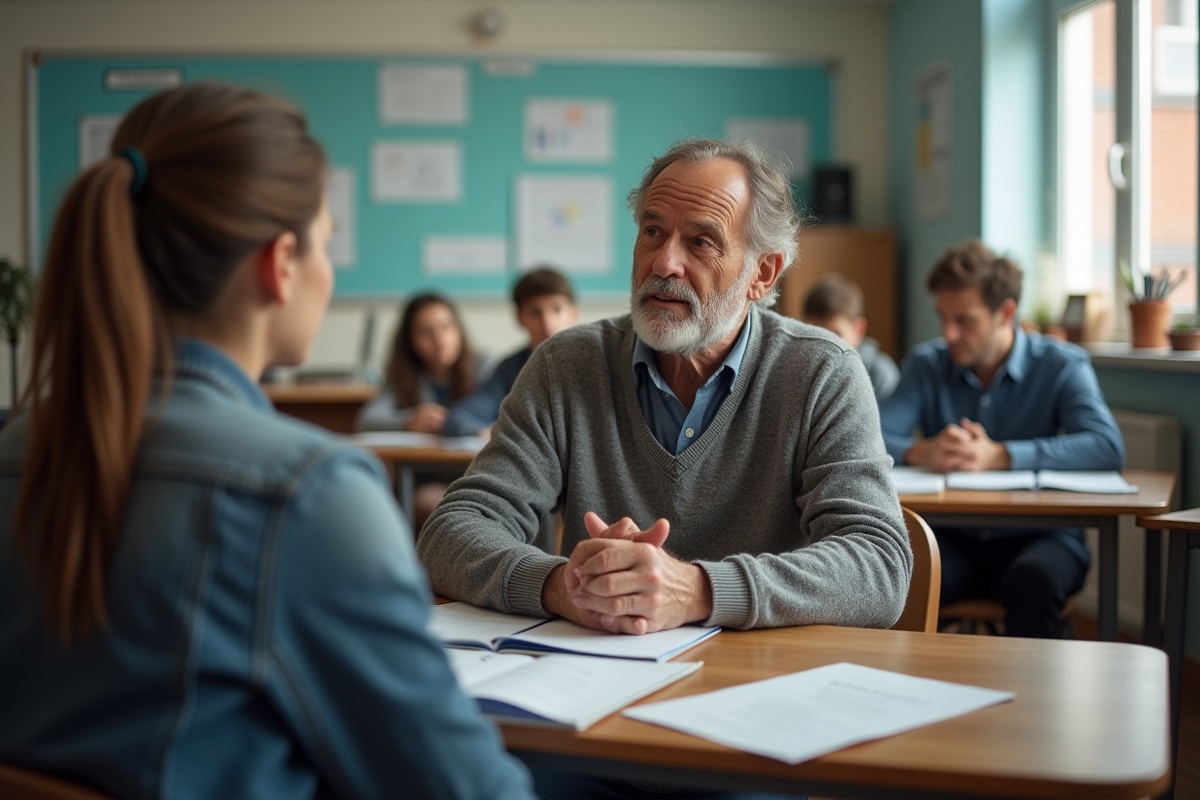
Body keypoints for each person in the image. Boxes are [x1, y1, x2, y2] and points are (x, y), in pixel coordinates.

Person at [0, 83, 533, 800]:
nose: (328, 267)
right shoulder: (305, 493)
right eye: (325, 242)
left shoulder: (16, 445)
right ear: (280, 263)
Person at [880, 239, 1125, 639]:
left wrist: (1001, 456)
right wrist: (925, 450)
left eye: (965, 320)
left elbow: (1106, 445)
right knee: (902, 574)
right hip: (952, 536)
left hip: (1041, 537)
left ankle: (1033, 701)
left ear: (1006, 313)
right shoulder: (927, 364)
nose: (949, 333)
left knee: (1036, 580)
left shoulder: (1061, 365)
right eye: (943, 317)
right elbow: (867, 437)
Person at [441, 267, 578, 438]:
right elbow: (459, 417)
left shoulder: (595, 361)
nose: (547, 323)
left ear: (573, 312)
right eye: (536, 312)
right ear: (520, 318)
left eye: (557, 309)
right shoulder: (511, 368)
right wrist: (493, 434)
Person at [357, 292, 493, 434]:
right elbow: (366, 419)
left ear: (459, 329)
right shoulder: (403, 373)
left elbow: (500, 418)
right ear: (410, 341)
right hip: (421, 455)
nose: (439, 339)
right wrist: (407, 421)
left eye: (446, 326)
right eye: (426, 332)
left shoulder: (483, 365)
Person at [801, 274, 899, 404]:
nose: (824, 345)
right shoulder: (801, 371)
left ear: (859, 330)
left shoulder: (881, 374)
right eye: (816, 334)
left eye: (835, 334)